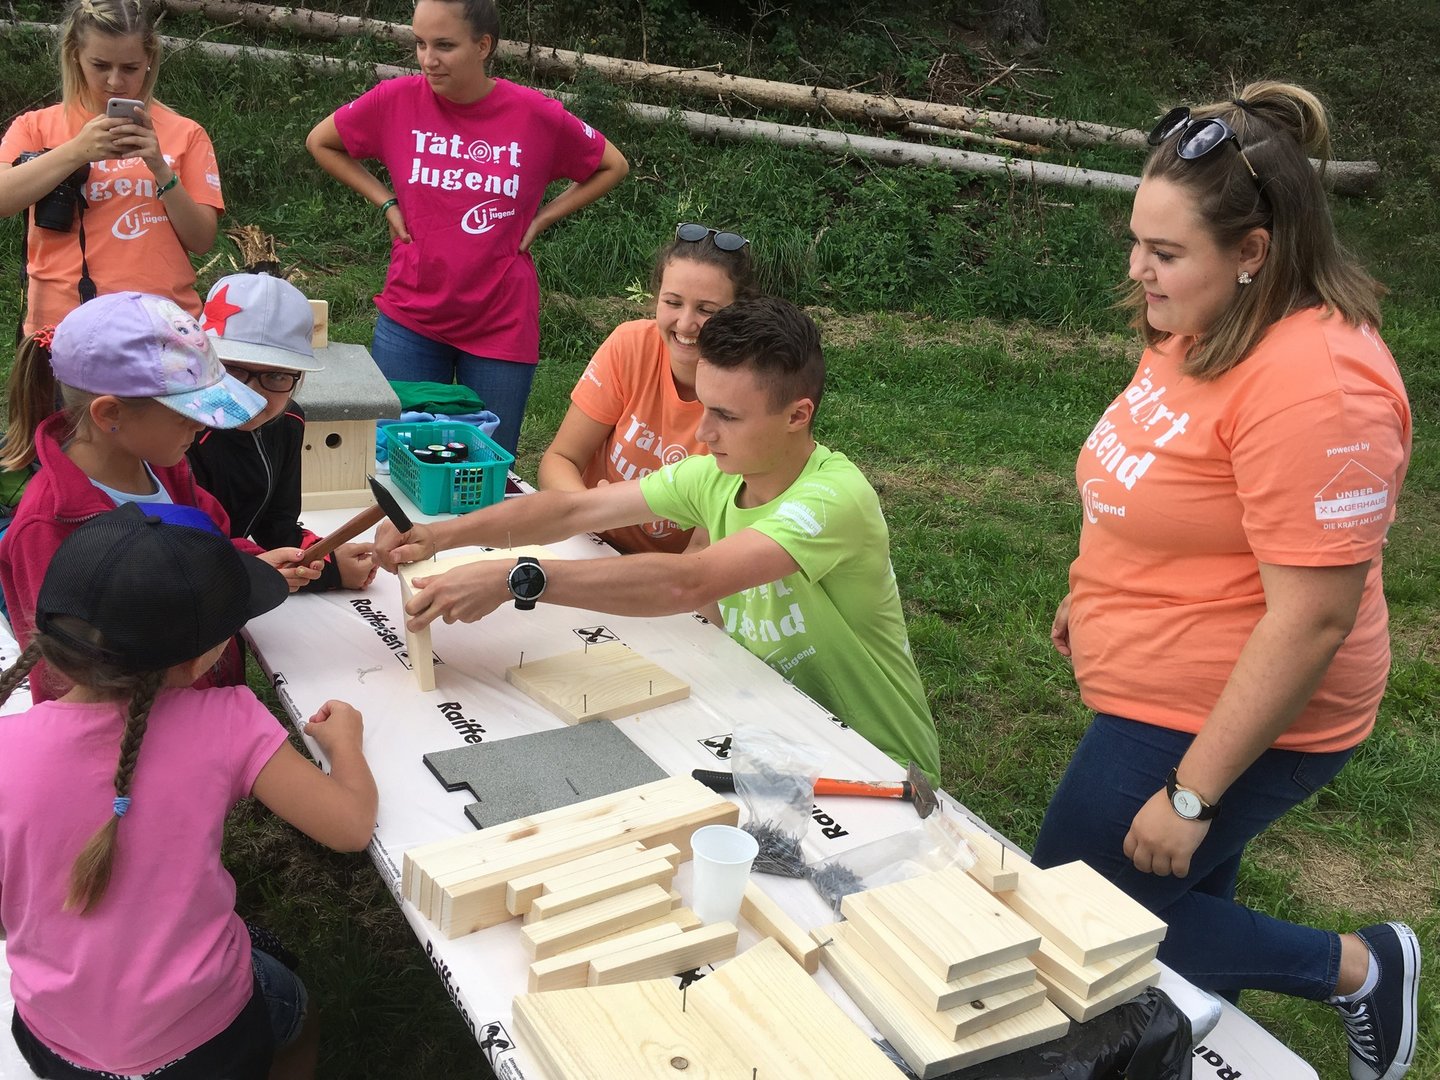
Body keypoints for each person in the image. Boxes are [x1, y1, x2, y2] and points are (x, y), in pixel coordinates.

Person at [1038, 82, 1417, 1080]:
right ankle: (1190, 1046)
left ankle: (1359, 968)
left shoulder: (1321, 388)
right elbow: (1175, 482)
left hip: (1236, 711)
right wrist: (1102, 584)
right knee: (1165, 903)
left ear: (1253, 251)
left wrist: (1195, 792)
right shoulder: (1203, 323)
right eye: (1137, 241)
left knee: (1073, 909)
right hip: (1169, 675)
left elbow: (1314, 617)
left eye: (1165, 253)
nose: (1137, 270)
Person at [374, 296, 941, 782]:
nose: (704, 432)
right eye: (703, 406)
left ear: (798, 416)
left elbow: (688, 583)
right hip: (774, 730)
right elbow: (573, 509)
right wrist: (437, 534)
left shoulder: (834, 499)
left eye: (727, 416)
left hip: (877, 762)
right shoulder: (720, 474)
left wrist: (518, 578)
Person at [0, 503, 378, 1078]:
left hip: (53, 1035)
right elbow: (350, 826)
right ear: (201, 656)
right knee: (295, 1008)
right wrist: (345, 744)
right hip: (205, 1038)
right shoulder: (227, 719)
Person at [304, 0, 629, 456]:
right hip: (412, 314)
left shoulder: (534, 114)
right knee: (393, 459)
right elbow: (321, 141)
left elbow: (612, 164)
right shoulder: (395, 100)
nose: (427, 59)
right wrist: (386, 201)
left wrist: (543, 216)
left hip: (500, 321)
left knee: (484, 466)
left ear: (483, 46)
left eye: (444, 45)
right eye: (420, 43)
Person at [0, 291, 321, 704]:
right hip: (134, 731)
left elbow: (209, 542)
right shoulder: (48, 527)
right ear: (110, 414)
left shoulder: (164, 466)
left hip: (203, 700)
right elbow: (65, 673)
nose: (201, 426)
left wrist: (249, 563)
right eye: (186, 413)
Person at [0, 0, 223, 336]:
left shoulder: (186, 133)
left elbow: (202, 239)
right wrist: (75, 152)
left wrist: (160, 168)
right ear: (75, 55)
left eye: (130, 68)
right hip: (61, 325)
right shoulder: (36, 126)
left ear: (149, 60)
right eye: (100, 65)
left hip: (160, 328)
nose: (115, 81)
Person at [538, 223, 755, 554]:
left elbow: (703, 548)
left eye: (707, 310)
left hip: (672, 571)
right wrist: (589, 510)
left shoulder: (752, 389)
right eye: (673, 302)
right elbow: (560, 459)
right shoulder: (631, 345)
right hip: (591, 541)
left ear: (738, 313)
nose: (686, 324)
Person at [188, 272, 377, 592]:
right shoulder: (181, 436)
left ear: (298, 378)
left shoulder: (289, 421)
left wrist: (326, 557)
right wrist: (325, 574)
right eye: (233, 370)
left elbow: (276, 525)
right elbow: (188, 552)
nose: (251, 393)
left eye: (276, 376)